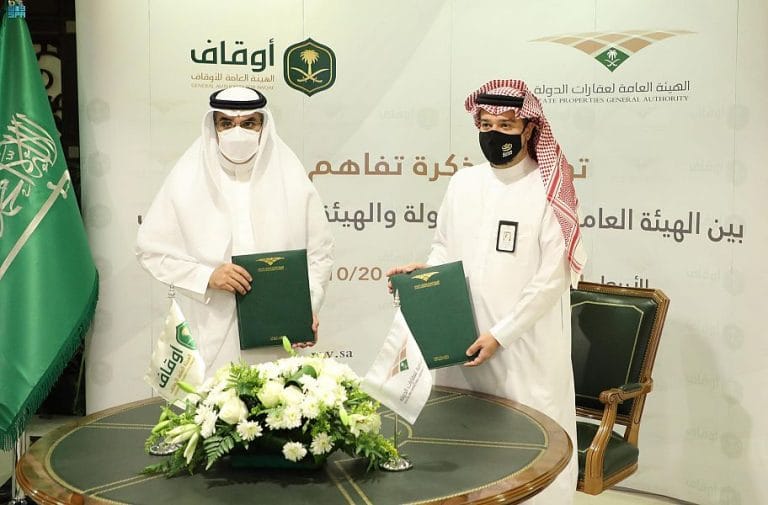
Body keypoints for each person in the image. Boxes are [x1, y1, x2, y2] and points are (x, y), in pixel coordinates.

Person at [387, 79, 586, 504]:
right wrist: (425, 276)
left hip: (522, 348)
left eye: (507, 126)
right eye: (487, 125)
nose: (495, 135)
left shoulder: (549, 189)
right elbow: (444, 247)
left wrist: (502, 334)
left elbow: (553, 277)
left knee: (528, 448)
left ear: (529, 129)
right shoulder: (464, 182)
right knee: (466, 439)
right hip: (463, 340)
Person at [137, 86, 334, 374]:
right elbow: (151, 251)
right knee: (214, 401)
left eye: (249, 123)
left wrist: (306, 308)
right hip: (210, 331)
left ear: (263, 125)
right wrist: (207, 276)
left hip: (277, 335)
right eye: (226, 123)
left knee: (279, 400)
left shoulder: (291, 178)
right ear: (213, 127)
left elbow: (320, 254)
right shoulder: (186, 179)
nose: (237, 132)